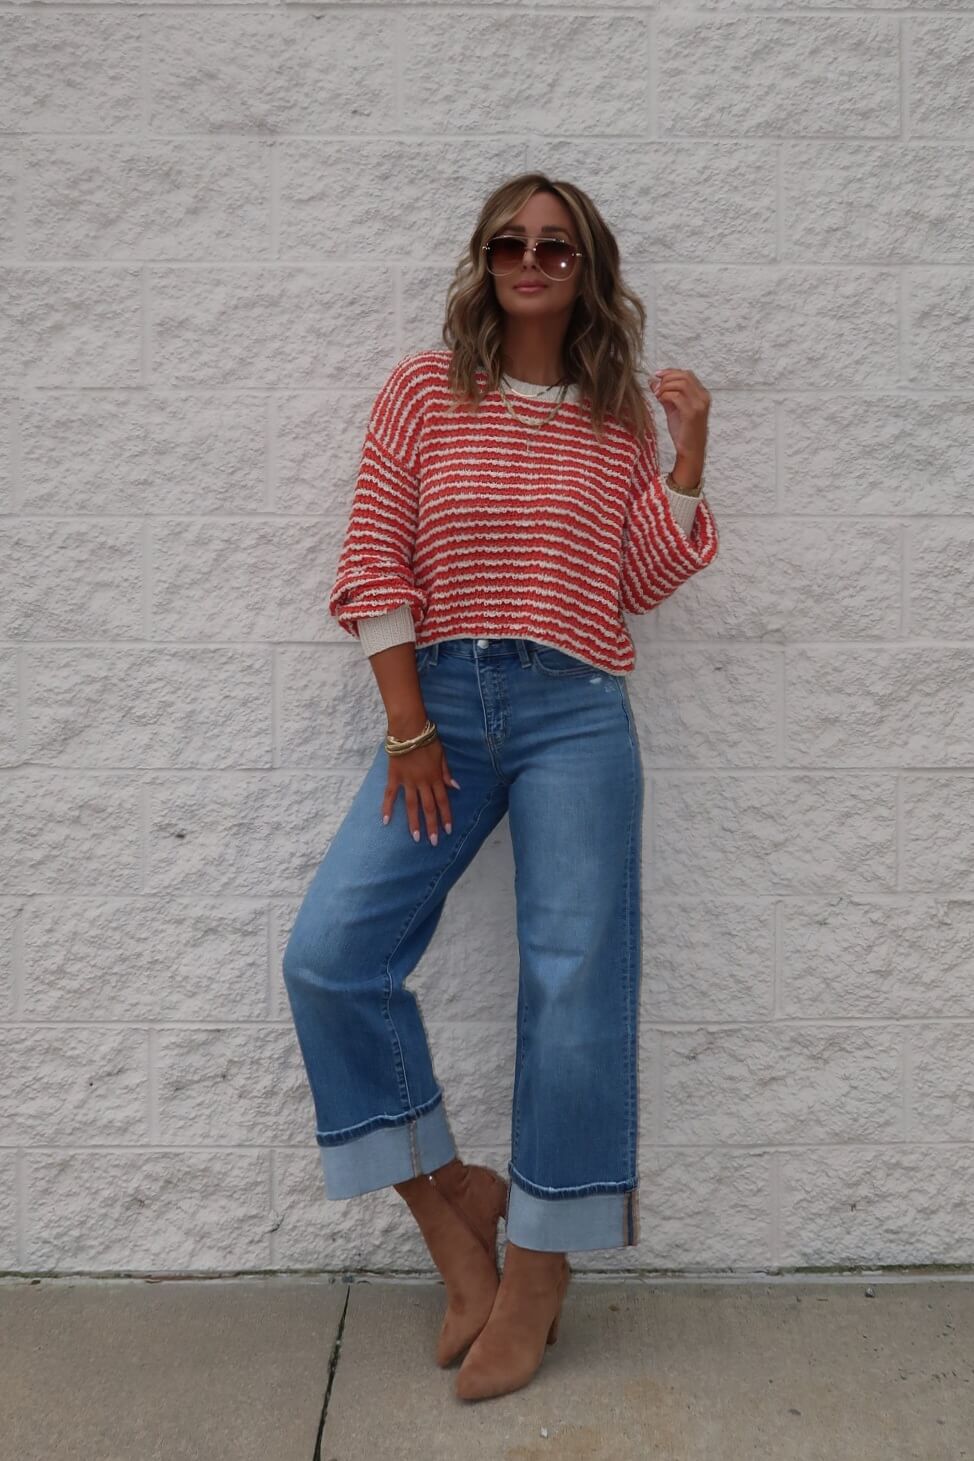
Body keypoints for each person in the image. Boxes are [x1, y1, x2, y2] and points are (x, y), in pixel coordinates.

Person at [282, 171, 719, 1402]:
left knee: (572, 981)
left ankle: (536, 1265)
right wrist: (408, 727)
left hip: (575, 709)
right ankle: (451, 1211)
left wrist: (684, 455)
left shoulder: (610, 407)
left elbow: (638, 575)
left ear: (587, 269)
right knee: (330, 957)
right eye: (509, 243)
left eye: (556, 247)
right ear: (482, 261)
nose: (531, 260)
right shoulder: (427, 388)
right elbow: (373, 554)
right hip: (445, 716)